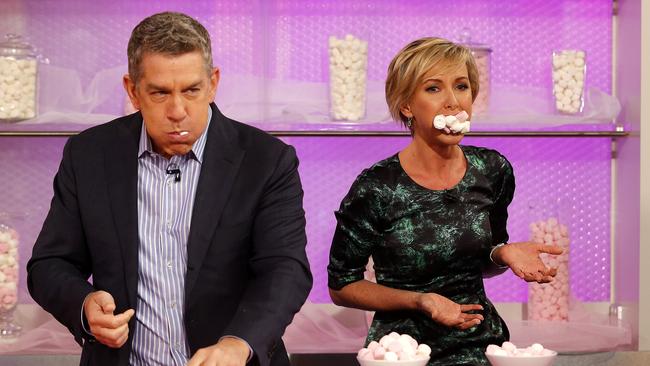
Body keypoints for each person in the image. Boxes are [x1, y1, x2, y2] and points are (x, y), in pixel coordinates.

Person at [27, 12, 312, 366]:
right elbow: (49, 264)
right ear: (132, 91)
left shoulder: (267, 160)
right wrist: (84, 306)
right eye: (160, 93)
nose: (178, 111)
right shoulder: (88, 155)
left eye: (192, 90)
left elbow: (285, 269)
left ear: (213, 83)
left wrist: (238, 344)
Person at [327, 37, 563, 366]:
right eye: (434, 89)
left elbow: (482, 261)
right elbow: (342, 286)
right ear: (407, 105)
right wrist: (421, 301)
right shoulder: (377, 187)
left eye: (462, 86)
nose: (453, 102)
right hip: (402, 352)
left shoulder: (492, 170)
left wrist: (503, 253)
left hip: (481, 346)